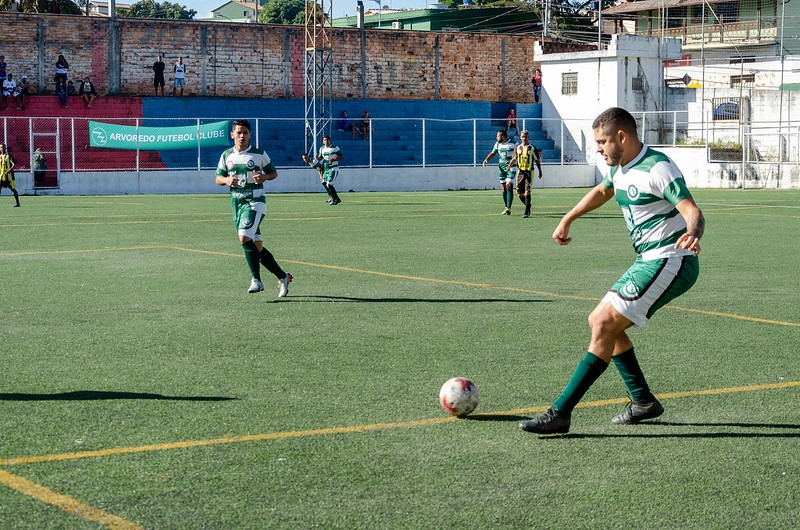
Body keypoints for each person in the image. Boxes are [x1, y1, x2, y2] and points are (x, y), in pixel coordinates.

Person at [519, 107, 705, 435]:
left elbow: (691, 209)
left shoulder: (658, 167)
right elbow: (604, 191)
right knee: (600, 322)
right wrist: (568, 217)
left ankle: (560, 412)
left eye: (602, 142)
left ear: (622, 136)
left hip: (671, 259)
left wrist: (693, 233)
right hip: (648, 260)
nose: (599, 149)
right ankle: (643, 402)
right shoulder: (619, 168)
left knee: (604, 323)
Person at [215, 119, 292, 296]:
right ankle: (283, 276)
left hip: (255, 202)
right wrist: (227, 180)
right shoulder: (227, 155)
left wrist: (264, 177)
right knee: (256, 247)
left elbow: (273, 173)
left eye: (245, 133)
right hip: (237, 204)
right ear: (232, 134)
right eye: (239, 132)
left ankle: (256, 280)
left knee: (243, 237)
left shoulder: (258, 154)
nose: (242, 136)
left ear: (250, 135)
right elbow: (218, 178)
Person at [482, 129, 517, 215]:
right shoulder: (497, 144)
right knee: (504, 187)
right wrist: (486, 159)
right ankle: (506, 206)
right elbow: (493, 153)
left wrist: (511, 163)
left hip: (511, 167)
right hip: (501, 168)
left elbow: (516, 155)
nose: (496, 138)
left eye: (497, 136)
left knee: (509, 186)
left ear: (502, 137)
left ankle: (509, 207)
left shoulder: (514, 143)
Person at [509, 130, 543, 218]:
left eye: (526, 136)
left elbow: (537, 160)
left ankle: (526, 211)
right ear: (520, 137)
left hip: (529, 172)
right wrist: (509, 165)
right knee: (520, 194)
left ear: (528, 137)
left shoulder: (532, 148)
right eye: (523, 137)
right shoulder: (517, 148)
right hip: (520, 172)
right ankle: (528, 205)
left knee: (527, 192)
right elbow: (514, 159)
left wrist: (540, 171)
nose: (524, 138)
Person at [307, 135, 343, 205]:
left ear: (329, 140)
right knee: (324, 182)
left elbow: (341, 156)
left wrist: (334, 159)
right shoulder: (322, 149)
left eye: (327, 140)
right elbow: (321, 158)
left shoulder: (335, 148)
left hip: (333, 168)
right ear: (323, 141)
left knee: (329, 184)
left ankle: (335, 199)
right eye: (325, 140)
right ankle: (333, 197)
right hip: (326, 168)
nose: (326, 141)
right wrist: (317, 158)